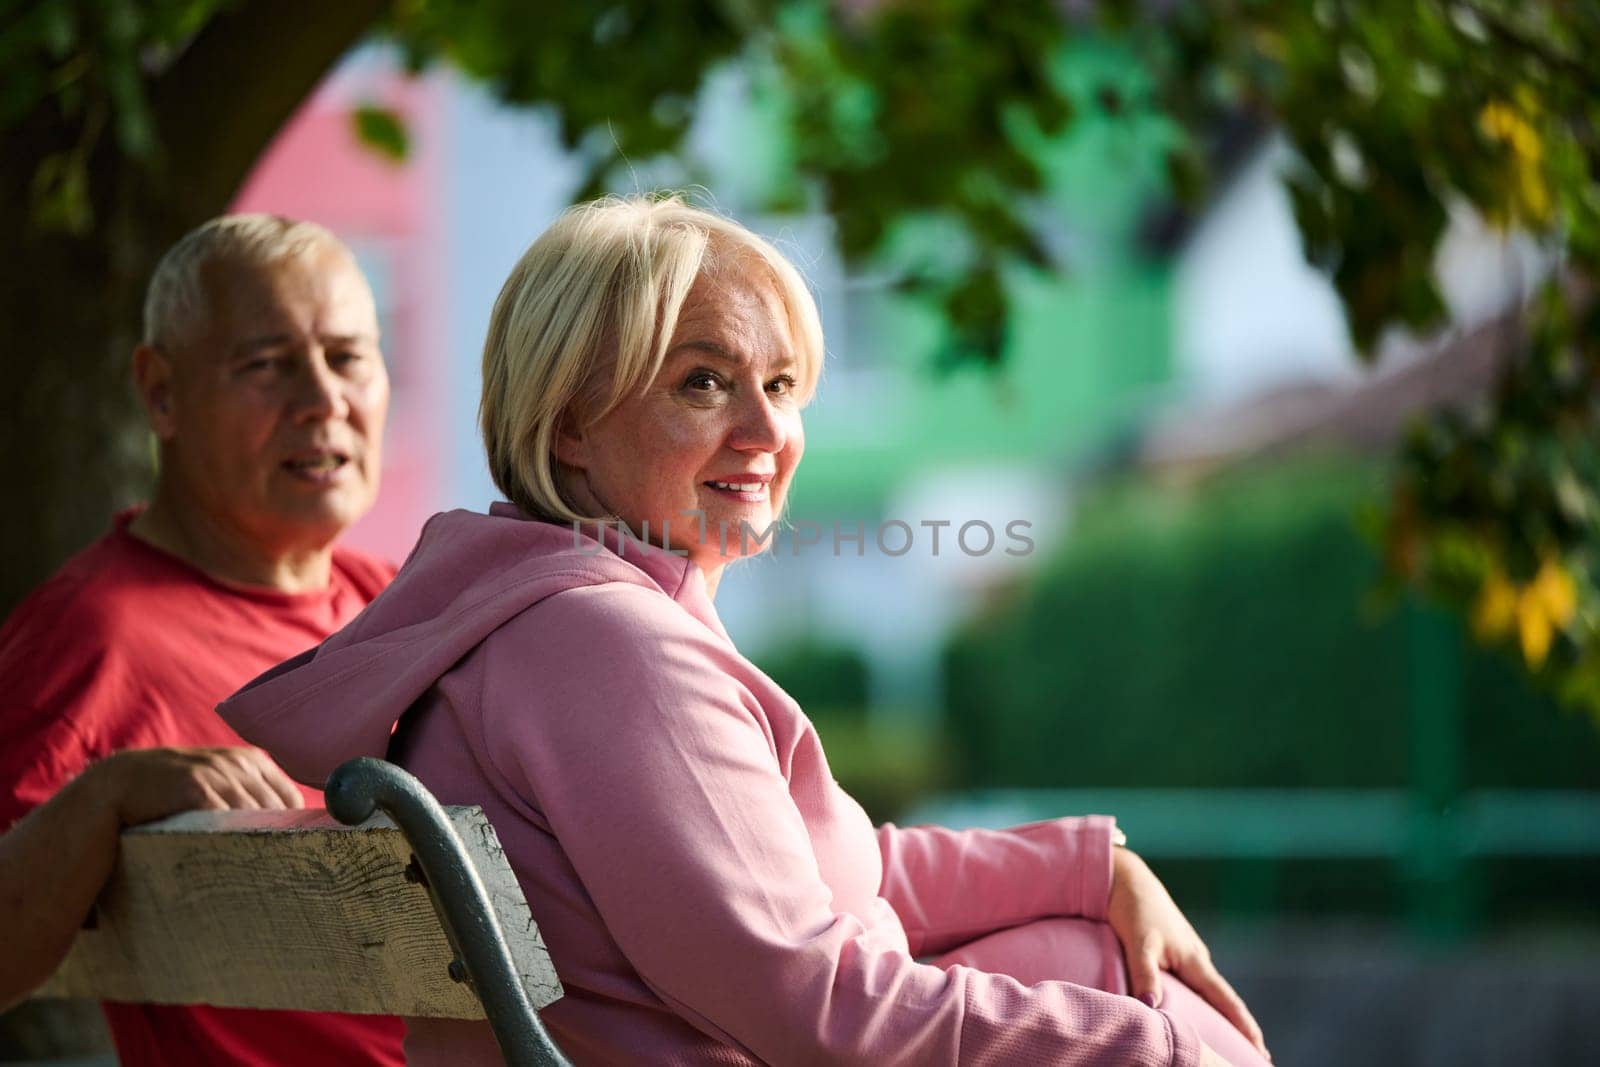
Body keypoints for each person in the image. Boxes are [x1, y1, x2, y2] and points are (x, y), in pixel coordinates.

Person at [222, 196, 1272, 1066]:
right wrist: (1163, 1050)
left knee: (1094, 946)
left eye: (780, 385)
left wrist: (1090, 867)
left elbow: (829, 876)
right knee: (1135, 992)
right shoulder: (603, 647)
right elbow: (807, 1000)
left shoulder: (542, 613)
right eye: (704, 382)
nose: (768, 432)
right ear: (569, 423)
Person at [0, 215, 405, 1066]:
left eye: (347, 356)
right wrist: (105, 793)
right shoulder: (94, 639)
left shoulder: (404, 604)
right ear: (161, 393)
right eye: (265, 364)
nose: (323, 400)